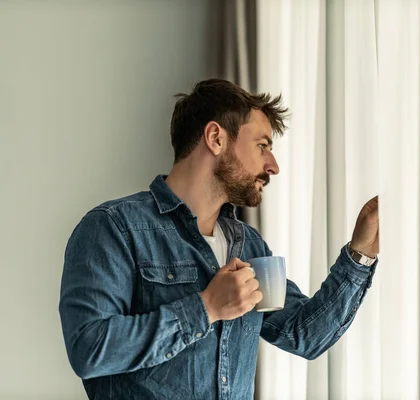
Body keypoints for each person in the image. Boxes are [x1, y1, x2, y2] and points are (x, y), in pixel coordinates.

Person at [59, 78, 379, 399]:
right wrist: (207, 307)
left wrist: (361, 253)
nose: (273, 166)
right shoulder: (114, 228)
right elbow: (90, 349)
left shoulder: (250, 246)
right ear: (215, 138)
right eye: (262, 146)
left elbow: (303, 334)